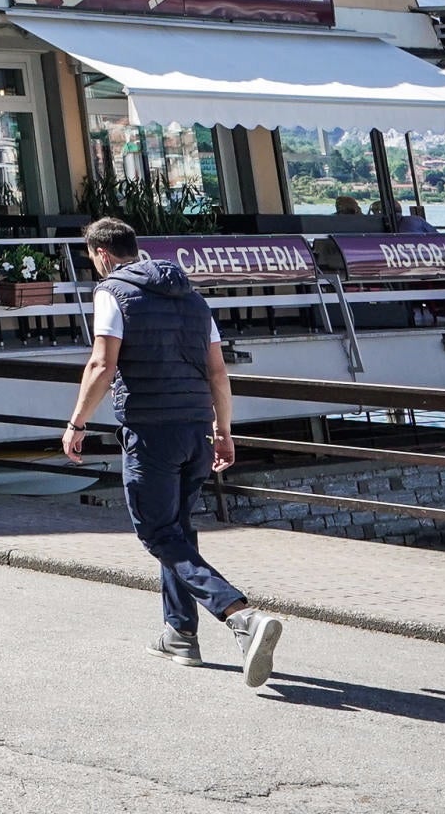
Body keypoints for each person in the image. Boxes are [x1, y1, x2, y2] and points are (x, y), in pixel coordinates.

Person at [61, 217, 284, 686]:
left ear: (101, 254)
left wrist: (77, 422)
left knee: (158, 534)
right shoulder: (192, 296)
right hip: (196, 430)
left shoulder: (112, 292)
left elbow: (103, 362)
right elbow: (219, 372)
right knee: (179, 530)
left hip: (152, 432)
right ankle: (179, 633)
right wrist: (223, 430)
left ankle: (239, 615)